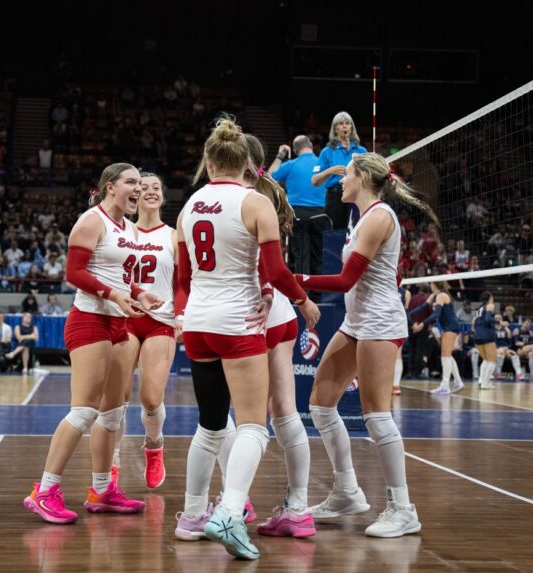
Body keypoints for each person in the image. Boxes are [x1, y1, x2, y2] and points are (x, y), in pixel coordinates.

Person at [173, 118, 318, 560]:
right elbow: (274, 270)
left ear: (209, 161)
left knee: (210, 425)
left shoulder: (189, 205)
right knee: (254, 425)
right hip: (237, 324)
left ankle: (192, 515)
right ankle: (230, 513)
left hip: (197, 322)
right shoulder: (256, 203)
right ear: (247, 166)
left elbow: (183, 276)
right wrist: (302, 299)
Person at [295, 152, 437, 538]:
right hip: (357, 322)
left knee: (376, 415)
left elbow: (344, 280)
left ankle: (402, 507)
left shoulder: (378, 217)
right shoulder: (361, 217)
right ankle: (346, 492)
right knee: (321, 406)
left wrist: (295, 279)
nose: (341, 182)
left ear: (363, 180)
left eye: (348, 175)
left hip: (379, 324)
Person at [22, 163, 161, 526]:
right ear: (110, 187)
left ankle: (102, 489)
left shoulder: (128, 227)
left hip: (119, 322)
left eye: (140, 182)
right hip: (89, 321)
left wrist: (139, 293)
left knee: (112, 414)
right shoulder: (91, 220)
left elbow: (118, 276)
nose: (138, 188)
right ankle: (45, 491)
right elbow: (74, 274)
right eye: (131, 182)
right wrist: (114, 293)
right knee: (84, 411)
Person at [245, 135, 315, 538]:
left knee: (246, 415)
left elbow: (270, 270)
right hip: (279, 315)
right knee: (283, 411)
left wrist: (298, 297)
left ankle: (235, 501)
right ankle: (298, 506)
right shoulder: (268, 193)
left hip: (258, 313)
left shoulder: (247, 200)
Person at [108, 172, 176, 490]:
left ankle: (154, 446)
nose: (149, 191)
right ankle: (113, 465)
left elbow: (186, 282)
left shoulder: (175, 236)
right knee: (117, 398)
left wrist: (184, 315)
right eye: (142, 187)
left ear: (162, 196)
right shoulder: (122, 232)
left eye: (155, 187)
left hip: (161, 319)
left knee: (150, 398)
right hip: (125, 316)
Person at [268, 135, 325, 275]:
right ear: (311, 145)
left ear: (294, 150)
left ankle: (301, 294)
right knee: (318, 256)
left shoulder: (291, 165)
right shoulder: (323, 164)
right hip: (321, 213)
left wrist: (280, 155)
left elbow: (268, 177)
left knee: (300, 256)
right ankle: (317, 293)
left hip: (297, 214)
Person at [310, 111, 367, 230]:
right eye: (341, 123)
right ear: (335, 129)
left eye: (347, 123)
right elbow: (314, 181)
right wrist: (330, 171)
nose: (345, 126)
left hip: (356, 195)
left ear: (352, 127)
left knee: (357, 229)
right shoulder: (327, 151)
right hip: (335, 196)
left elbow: (369, 174)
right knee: (335, 233)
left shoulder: (361, 151)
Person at [412, 282, 464, 394]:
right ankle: (458, 382)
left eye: (431, 283)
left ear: (434, 284)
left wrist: (422, 324)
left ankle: (445, 385)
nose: (430, 285)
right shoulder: (436, 295)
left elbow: (436, 315)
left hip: (450, 327)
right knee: (447, 356)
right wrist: (409, 314)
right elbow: (424, 308)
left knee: (445, 357)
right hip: (449, 327)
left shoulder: (441, 295)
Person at [471, 292, 498, 390]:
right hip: (486, 334)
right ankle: (485, 384)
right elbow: (488, 319)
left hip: (477, 335)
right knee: (492, 360)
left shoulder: (479, 308)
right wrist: (499, 322)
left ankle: (481, 380)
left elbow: (474, 322)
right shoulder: (490, 305)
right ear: (490, 297)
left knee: (486, 360)